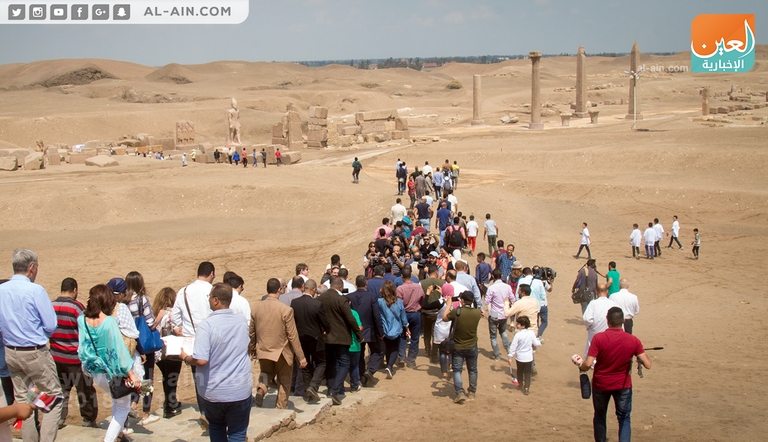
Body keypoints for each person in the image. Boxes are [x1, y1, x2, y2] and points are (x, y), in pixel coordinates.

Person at [0, 249, 62, 442]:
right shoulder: (35, 290)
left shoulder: (2, 290)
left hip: (10, 352)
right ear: (32, 268)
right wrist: (38, 336)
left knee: (22, 400)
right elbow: (51, 324)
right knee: (54, 398)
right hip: (34, 351)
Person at [180, 283, 253, 442]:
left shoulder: (206, 326)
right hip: (240, 389)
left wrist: (185, 358)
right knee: (238, 433)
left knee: (216, 427)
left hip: (214, 391)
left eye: (210, 297)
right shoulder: (241, 321)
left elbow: (201, 359)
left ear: (216, 300)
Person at [574, 307, 652, 442]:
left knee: (599, 415)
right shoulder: (633, 340)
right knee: (624, 417)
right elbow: (648, 364)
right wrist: (639, 353)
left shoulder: (599, 339)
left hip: (601, 384)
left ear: (607, 320)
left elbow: (588, 364)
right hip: (623, 385)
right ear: (622, 321)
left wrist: (581, 365)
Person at [77, 284, 142, 442]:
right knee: (123, 408)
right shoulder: (110, 322)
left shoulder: (82, 320)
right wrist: (132, 374)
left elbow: (82, 348)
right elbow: (120, 351)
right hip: (113, 374)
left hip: (94, 371)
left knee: (117, 401)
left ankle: (119, 437)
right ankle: (110, 439)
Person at [250, 278, 306, 409]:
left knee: (266, 374)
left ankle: (261, 389)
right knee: (284, 380)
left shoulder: (256, 308)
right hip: (281, 352)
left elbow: (251, 332)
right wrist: (301, 357)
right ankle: (280, 407)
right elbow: (293, 335)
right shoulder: (286, 310)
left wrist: (252, 349)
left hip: (263, 349)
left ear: (266, 289)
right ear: (280, 290)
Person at [171, 261, 215, 426]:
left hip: (192, 341)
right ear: (211, 273)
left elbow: (175, 318)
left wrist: (179, 329)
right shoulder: (212, 291)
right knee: (215, 374)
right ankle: (214, 410)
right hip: (211, 338)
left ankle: (204, 410)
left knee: (200, 378)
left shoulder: (184, 291)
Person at [51, 277, 98, 429]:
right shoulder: (77, 307)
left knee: (61, 390)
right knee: (84, 390)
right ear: (74, 290)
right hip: (75, 358)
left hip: (56, 356)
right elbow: (86, 330)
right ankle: (88, 419)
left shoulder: (51, 306)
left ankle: (58, 419)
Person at [317, 277, 363, 404]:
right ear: (340, 287)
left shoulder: (320, 298)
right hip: (341, 338)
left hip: (326, 337)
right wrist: (359, 335)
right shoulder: (341, 300)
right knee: (344, 364)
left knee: (330, 363)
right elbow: (350, 319)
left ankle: (331, 387)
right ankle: (334, 390)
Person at [125, 271, 160, 426]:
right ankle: (145, 413)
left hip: (129, 344)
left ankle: (132, 404)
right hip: (144, 344)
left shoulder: (123, 302)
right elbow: (151, 323)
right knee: (148, 377)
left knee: (133, 376)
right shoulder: (142, 300)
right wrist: (161, 315)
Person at [444, 290, 482, 404]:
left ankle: (459, 392)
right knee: (473, 369)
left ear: (462, 300)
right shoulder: (477, 313)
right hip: (472, 345)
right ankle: (472, 392)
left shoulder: (457, 312)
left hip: (458, 346)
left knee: (457, 370)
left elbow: (444, 317)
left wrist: (449, 305)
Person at [152, 287, 183, 419]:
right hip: (173, 351)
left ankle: (170, 401)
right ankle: (170, 406)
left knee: (167, 377)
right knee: (172, 379)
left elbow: (152, 327)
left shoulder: (157, 313)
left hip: (159, 352)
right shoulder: (172, 313)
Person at [347, 276, 384, 387]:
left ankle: (362, 378)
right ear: (366, 284)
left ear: (355, 283)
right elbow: (376, 316)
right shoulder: (372, 297)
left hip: (356, 331)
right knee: (377, 352)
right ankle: (371, 370)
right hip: (370, 330)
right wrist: (380, 332)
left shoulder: (349, 297)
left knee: (360, 355)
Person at [377, 281, 408, 379]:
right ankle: (390, 366)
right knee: (395, 348)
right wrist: (406, 327)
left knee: (388, 348)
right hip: (396, 329)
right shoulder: (398, 302)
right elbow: (403, 317)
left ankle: (388, 364)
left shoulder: (380, 302)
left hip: (385, 329)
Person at [395, 266, 424, 368]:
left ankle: (402, 357)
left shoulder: (400, 289)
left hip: (404, 314)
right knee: (415, 337)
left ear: (402, 276)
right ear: (411, 275)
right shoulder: (418, 287)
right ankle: (411, 359)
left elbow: (398, 304)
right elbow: (422, 299)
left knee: (402, 336)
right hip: (415, 313)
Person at [484, 269, 514, 360]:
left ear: (493, 276)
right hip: (504, 313)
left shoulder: (491, 288)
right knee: (503, 331)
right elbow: (513, 298)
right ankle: (508, 348)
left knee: (493, 336)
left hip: (494, 312)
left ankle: (497, 354)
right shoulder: (507, 287)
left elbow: (486, 302)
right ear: (501, 276)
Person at [582, 283, 620, 356]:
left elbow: (587, 319)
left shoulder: (593, 304)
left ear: (596, 292)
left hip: (595, 332)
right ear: (607, 291)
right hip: (610, 333)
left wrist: (590, 327)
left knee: (594, 351)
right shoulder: (614, 304)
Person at [508, 316, 541, 395]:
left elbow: (513, 346)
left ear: (523, 326)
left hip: (519, 357)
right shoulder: (531, 333)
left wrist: (510, 356)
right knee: (527, 373)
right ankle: (526, 388)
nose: (517, 325)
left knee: (520, 372)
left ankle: (520, 385)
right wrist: (541, 342)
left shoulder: (518, 335)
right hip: (529, 358)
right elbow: (536, 343)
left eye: (518, 324)